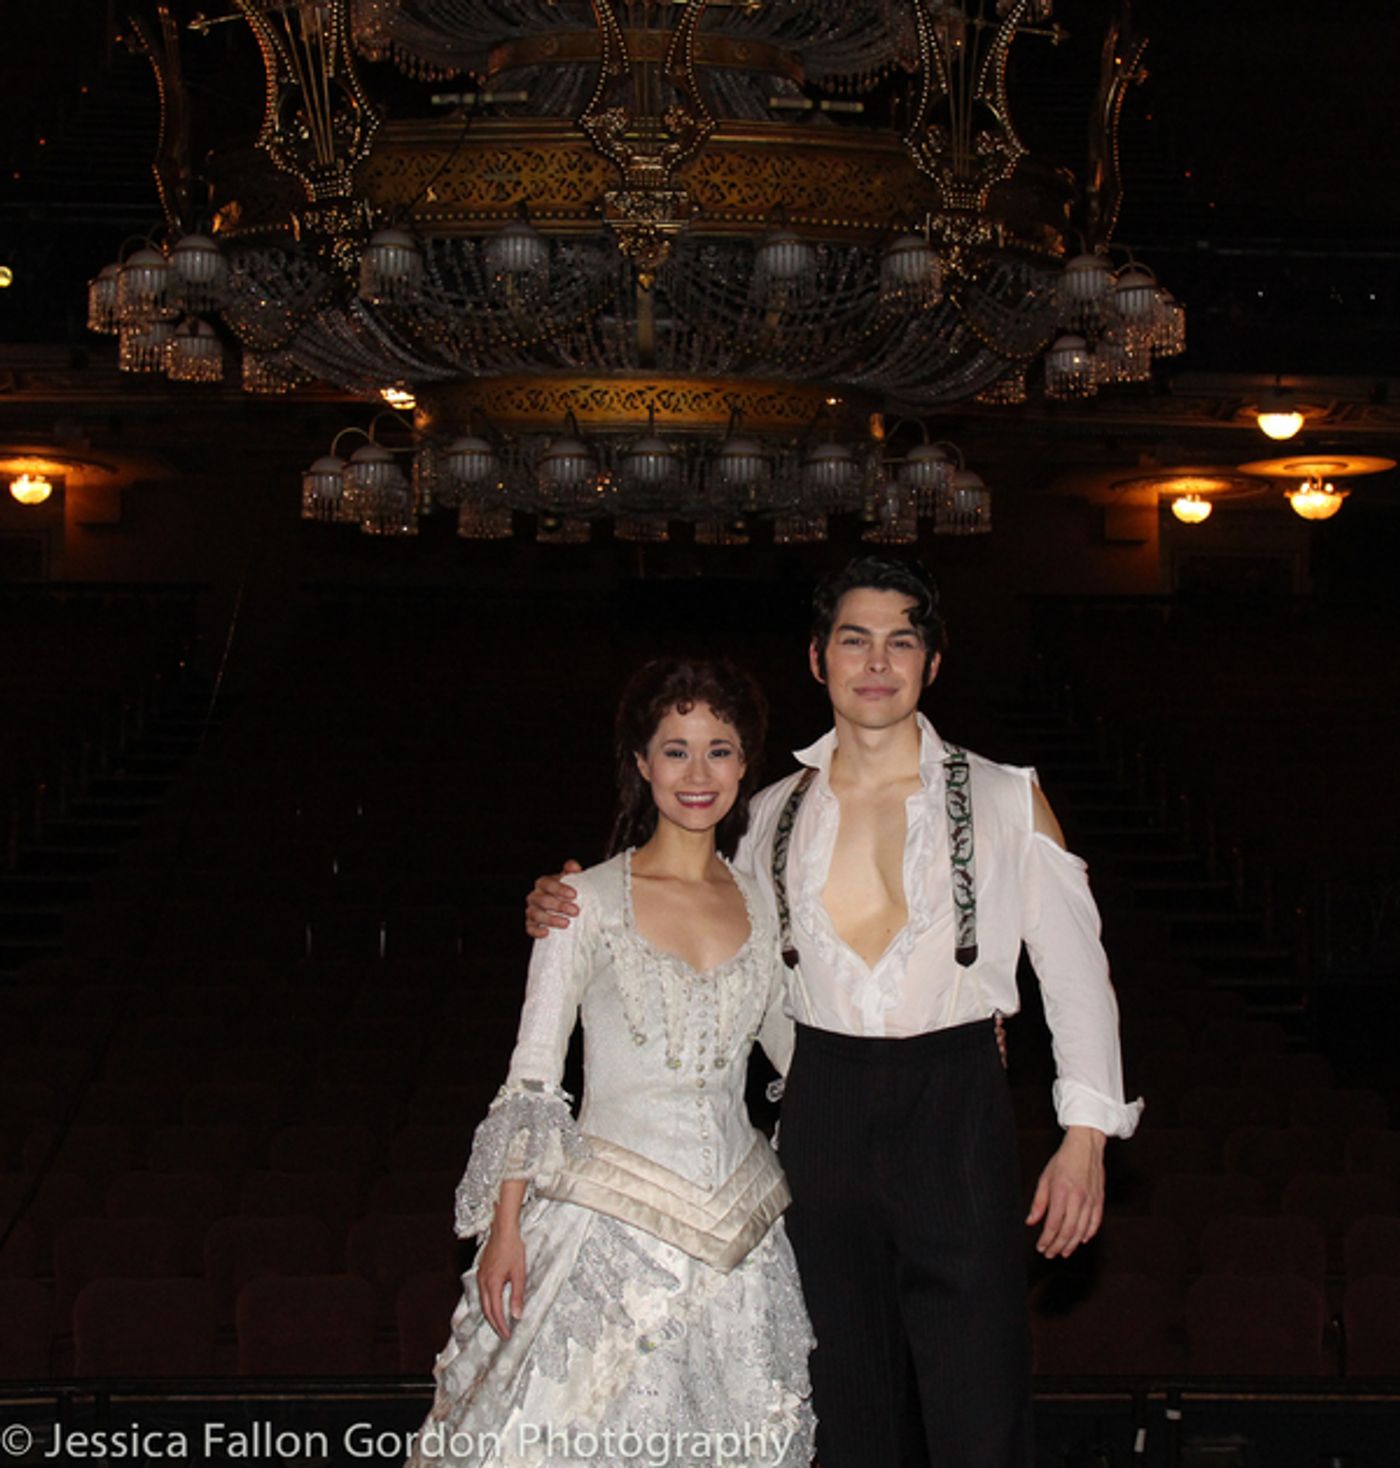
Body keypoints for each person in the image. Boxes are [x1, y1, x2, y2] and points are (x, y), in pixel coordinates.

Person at [527, 557, 1142, 1468]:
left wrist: (1085, 1135)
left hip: (959, 1108)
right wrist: (564, 900)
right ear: (818, 660)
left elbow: (1079, 977)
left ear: (933, 663)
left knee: (983, 1417)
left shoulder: (1011, 798)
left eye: (903, 638)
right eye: (855, 638)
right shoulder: (771, 811)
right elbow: (688, 920)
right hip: (821, 1112)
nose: (878, 660)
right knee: (842, 1422)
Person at [410, 657, 814, 1468]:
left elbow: (804, 1050)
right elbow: (532, 1076)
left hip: (742, 1240)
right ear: (640, 762)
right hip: (605, 1234)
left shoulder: (768, 906)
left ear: (746, 763)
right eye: (676, 749)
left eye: (720, 750)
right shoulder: (581, 900)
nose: (698, 773)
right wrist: (506, 1226)